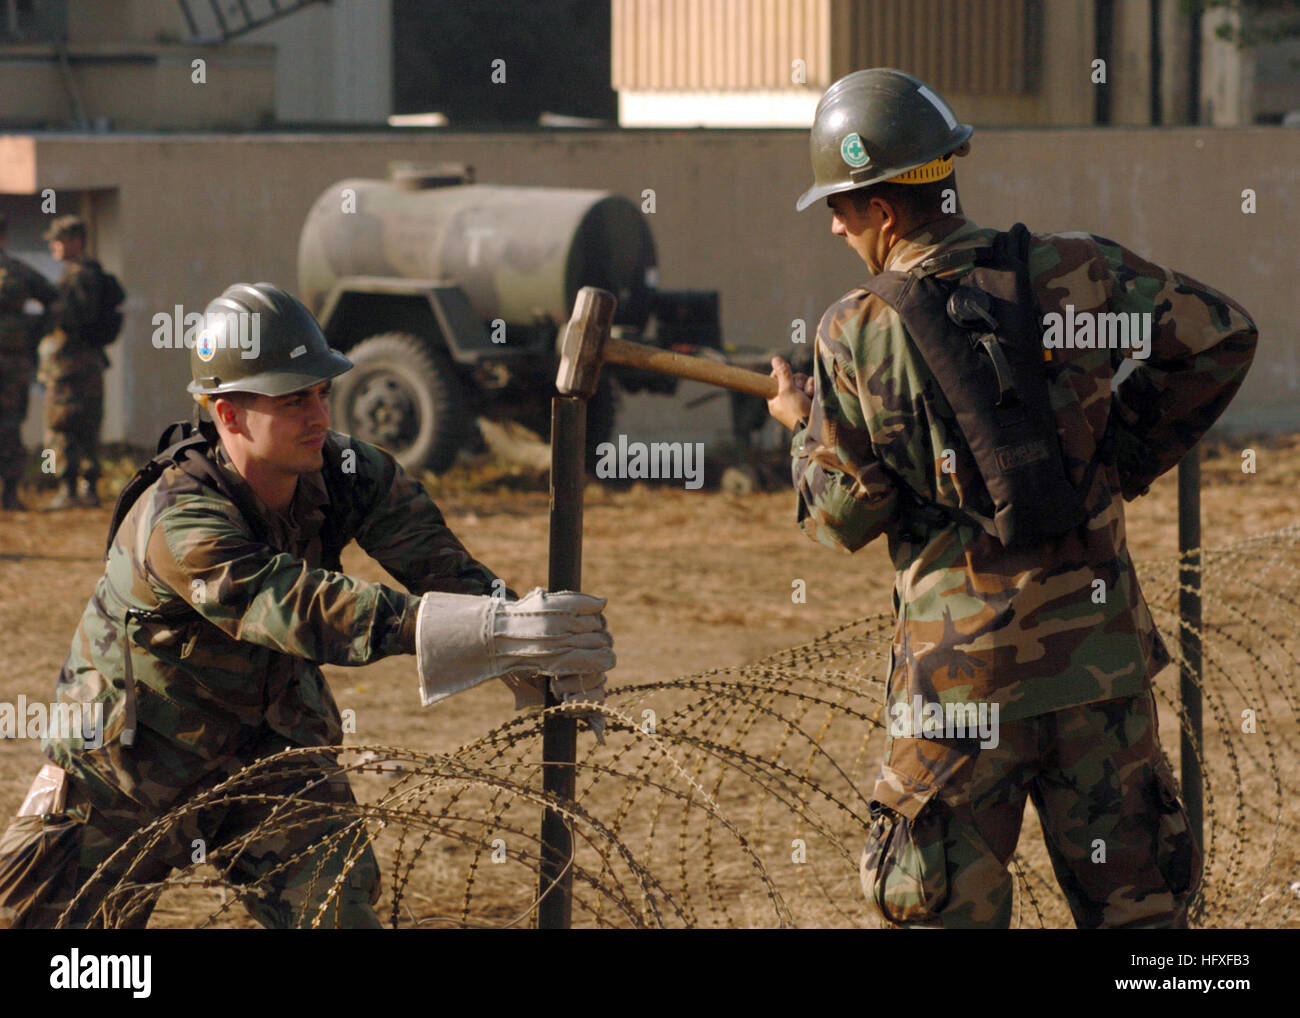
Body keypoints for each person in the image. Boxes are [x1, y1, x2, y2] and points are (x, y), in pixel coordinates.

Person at [767, 68, 1257, 929]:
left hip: (960, 689)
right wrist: (1117, 456)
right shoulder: (1080, 271)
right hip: (1098, 668)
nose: (837, 226)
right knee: (1145, 931)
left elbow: (846, 515)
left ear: (884, 210)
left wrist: (804, 425)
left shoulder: (856, 332)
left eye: (842, 206)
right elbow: (1220, 339)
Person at [0, 282, 613, 929]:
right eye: (294, 399)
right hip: (127, 766)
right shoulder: (179, 520)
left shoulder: (348, 471)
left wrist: (522, 633)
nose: (319, 415)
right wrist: (456, 629)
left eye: (322, 392)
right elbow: (291, 601)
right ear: (228, 414)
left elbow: (444, 568)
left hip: (270, 750)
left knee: (338, 915)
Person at [38, 215, 112, 509]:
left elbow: (72, 318)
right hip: (89, 362)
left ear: (75, 241)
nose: (54, 247)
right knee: (88, 423)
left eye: (58, 241)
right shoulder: (93, 273)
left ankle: (69, 489)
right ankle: (88, 487)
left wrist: (48, 313)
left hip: (69, 365)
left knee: (64, 421)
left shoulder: (78, 276)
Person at [0, 214, 59, 510]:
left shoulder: (17, 271)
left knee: (9, 425)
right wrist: (32, 330)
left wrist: (31, 332)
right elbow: (53, 299)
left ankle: (9, 493)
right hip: (14, 361)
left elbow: (52, 299)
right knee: (9, 425)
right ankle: (9, 493)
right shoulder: (18, 271)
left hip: (12, 363)